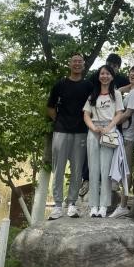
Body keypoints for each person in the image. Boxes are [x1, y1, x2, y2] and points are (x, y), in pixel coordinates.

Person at [46, 53, 93, 219]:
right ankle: (58, 205)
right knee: (58, 168)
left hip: (81, 132)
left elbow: (94, 107)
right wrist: (59, 121)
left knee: (77, 169)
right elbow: (50, 107)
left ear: (83, 65)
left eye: (80, 61)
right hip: (61, 131)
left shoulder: (88, 86)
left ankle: (72, 204)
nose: (77, 64)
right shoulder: (60, 84)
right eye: (74, 61)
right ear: (69, 64)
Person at [79, 53, 130, 198]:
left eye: (114, 66)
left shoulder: (121, 79)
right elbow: (87, 92)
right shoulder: (96, 76)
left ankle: (112, 180)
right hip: (94, 122)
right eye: (109, 64)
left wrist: (120, 90)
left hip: (113, 123)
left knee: (113, 152)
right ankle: (87, 179)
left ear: (118, 68)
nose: (108, 72)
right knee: (90, 154)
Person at [83, 64, 124, 217]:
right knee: (93, 169)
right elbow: (86, 115)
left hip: (109, 132)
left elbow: (119, 113)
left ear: (112, 76)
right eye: (102, 73)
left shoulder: (116, 94)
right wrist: (93, 128)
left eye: (107, 74)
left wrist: (108, 128)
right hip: (93, 132)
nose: (104, 76)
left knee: (106, 170)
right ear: (99, 76)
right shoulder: (93, 94)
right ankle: (93, 205)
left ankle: (104, 206)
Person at [110, 63, 134, 218]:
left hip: (129, 135)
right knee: (123, 167)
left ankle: (123, 205)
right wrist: (126, 87)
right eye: (131, 71)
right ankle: (121, 203)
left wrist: (110, 124)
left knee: (125, 169)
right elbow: (119, 91)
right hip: (125, 133)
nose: (132, 74)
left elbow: (127, 114)